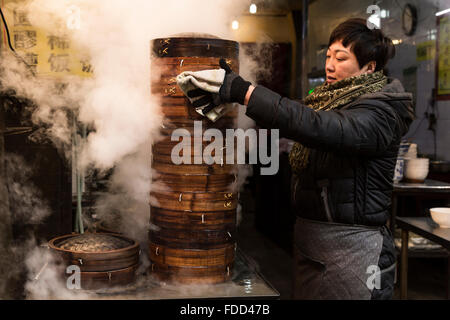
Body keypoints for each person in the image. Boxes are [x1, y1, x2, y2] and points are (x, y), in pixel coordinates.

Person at [184, 18, 414, 299]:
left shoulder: (381, 112)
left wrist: (245, 92)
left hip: (354, 251)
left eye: (341, 58)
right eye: (328, 55)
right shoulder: (328, 99)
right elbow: (300, 118)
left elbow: (318, 126)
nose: (330, 65)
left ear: (370, 67)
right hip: (311, 244)